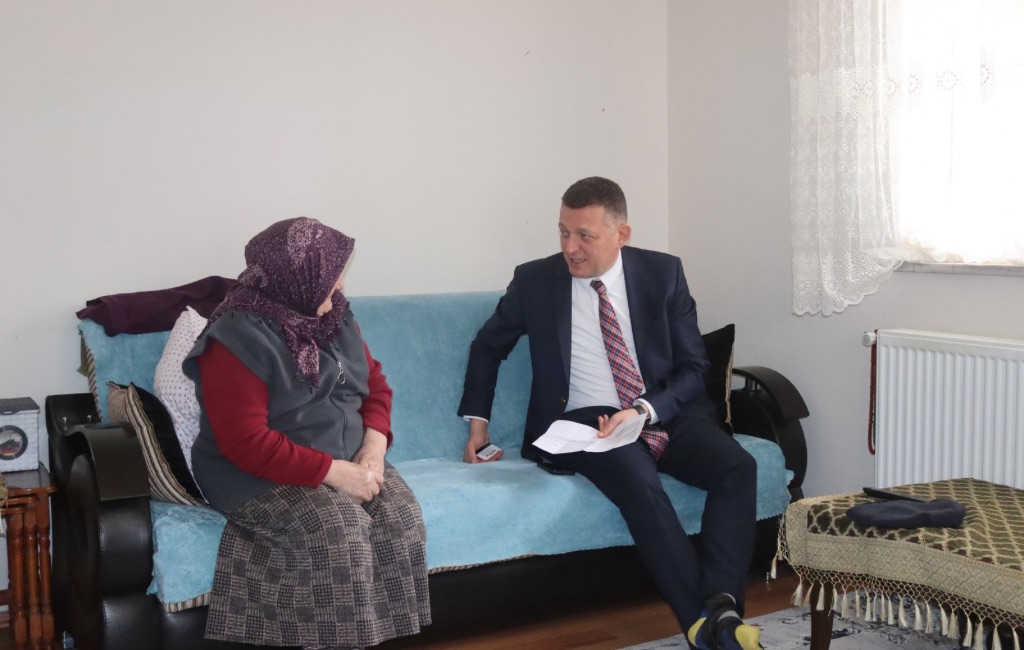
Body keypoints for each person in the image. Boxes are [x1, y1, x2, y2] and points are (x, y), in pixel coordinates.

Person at [458, 178, 760, 650]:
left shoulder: (663, 273)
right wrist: (479, 424)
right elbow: (487, 345)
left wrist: (643, 409)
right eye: (563, 232)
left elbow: (694, 367)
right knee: (639, 481)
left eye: (584, 236)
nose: (570, 248)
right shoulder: (536, 280)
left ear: (622, 234)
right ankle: (704, 627)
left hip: (657, 409)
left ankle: (722, 605)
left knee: (737, 467)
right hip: (584, 421)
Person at [184, 217, 430, 650]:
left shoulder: (335, 317)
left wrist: (373, 449)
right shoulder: (235, 338)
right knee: (338, 530)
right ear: (295, 277)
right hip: (256, 473)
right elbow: (245, 443)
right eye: (330, 274)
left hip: (348, 455)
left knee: (400, 518)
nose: (339, 284)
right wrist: (335, 473)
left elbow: (375, 386)